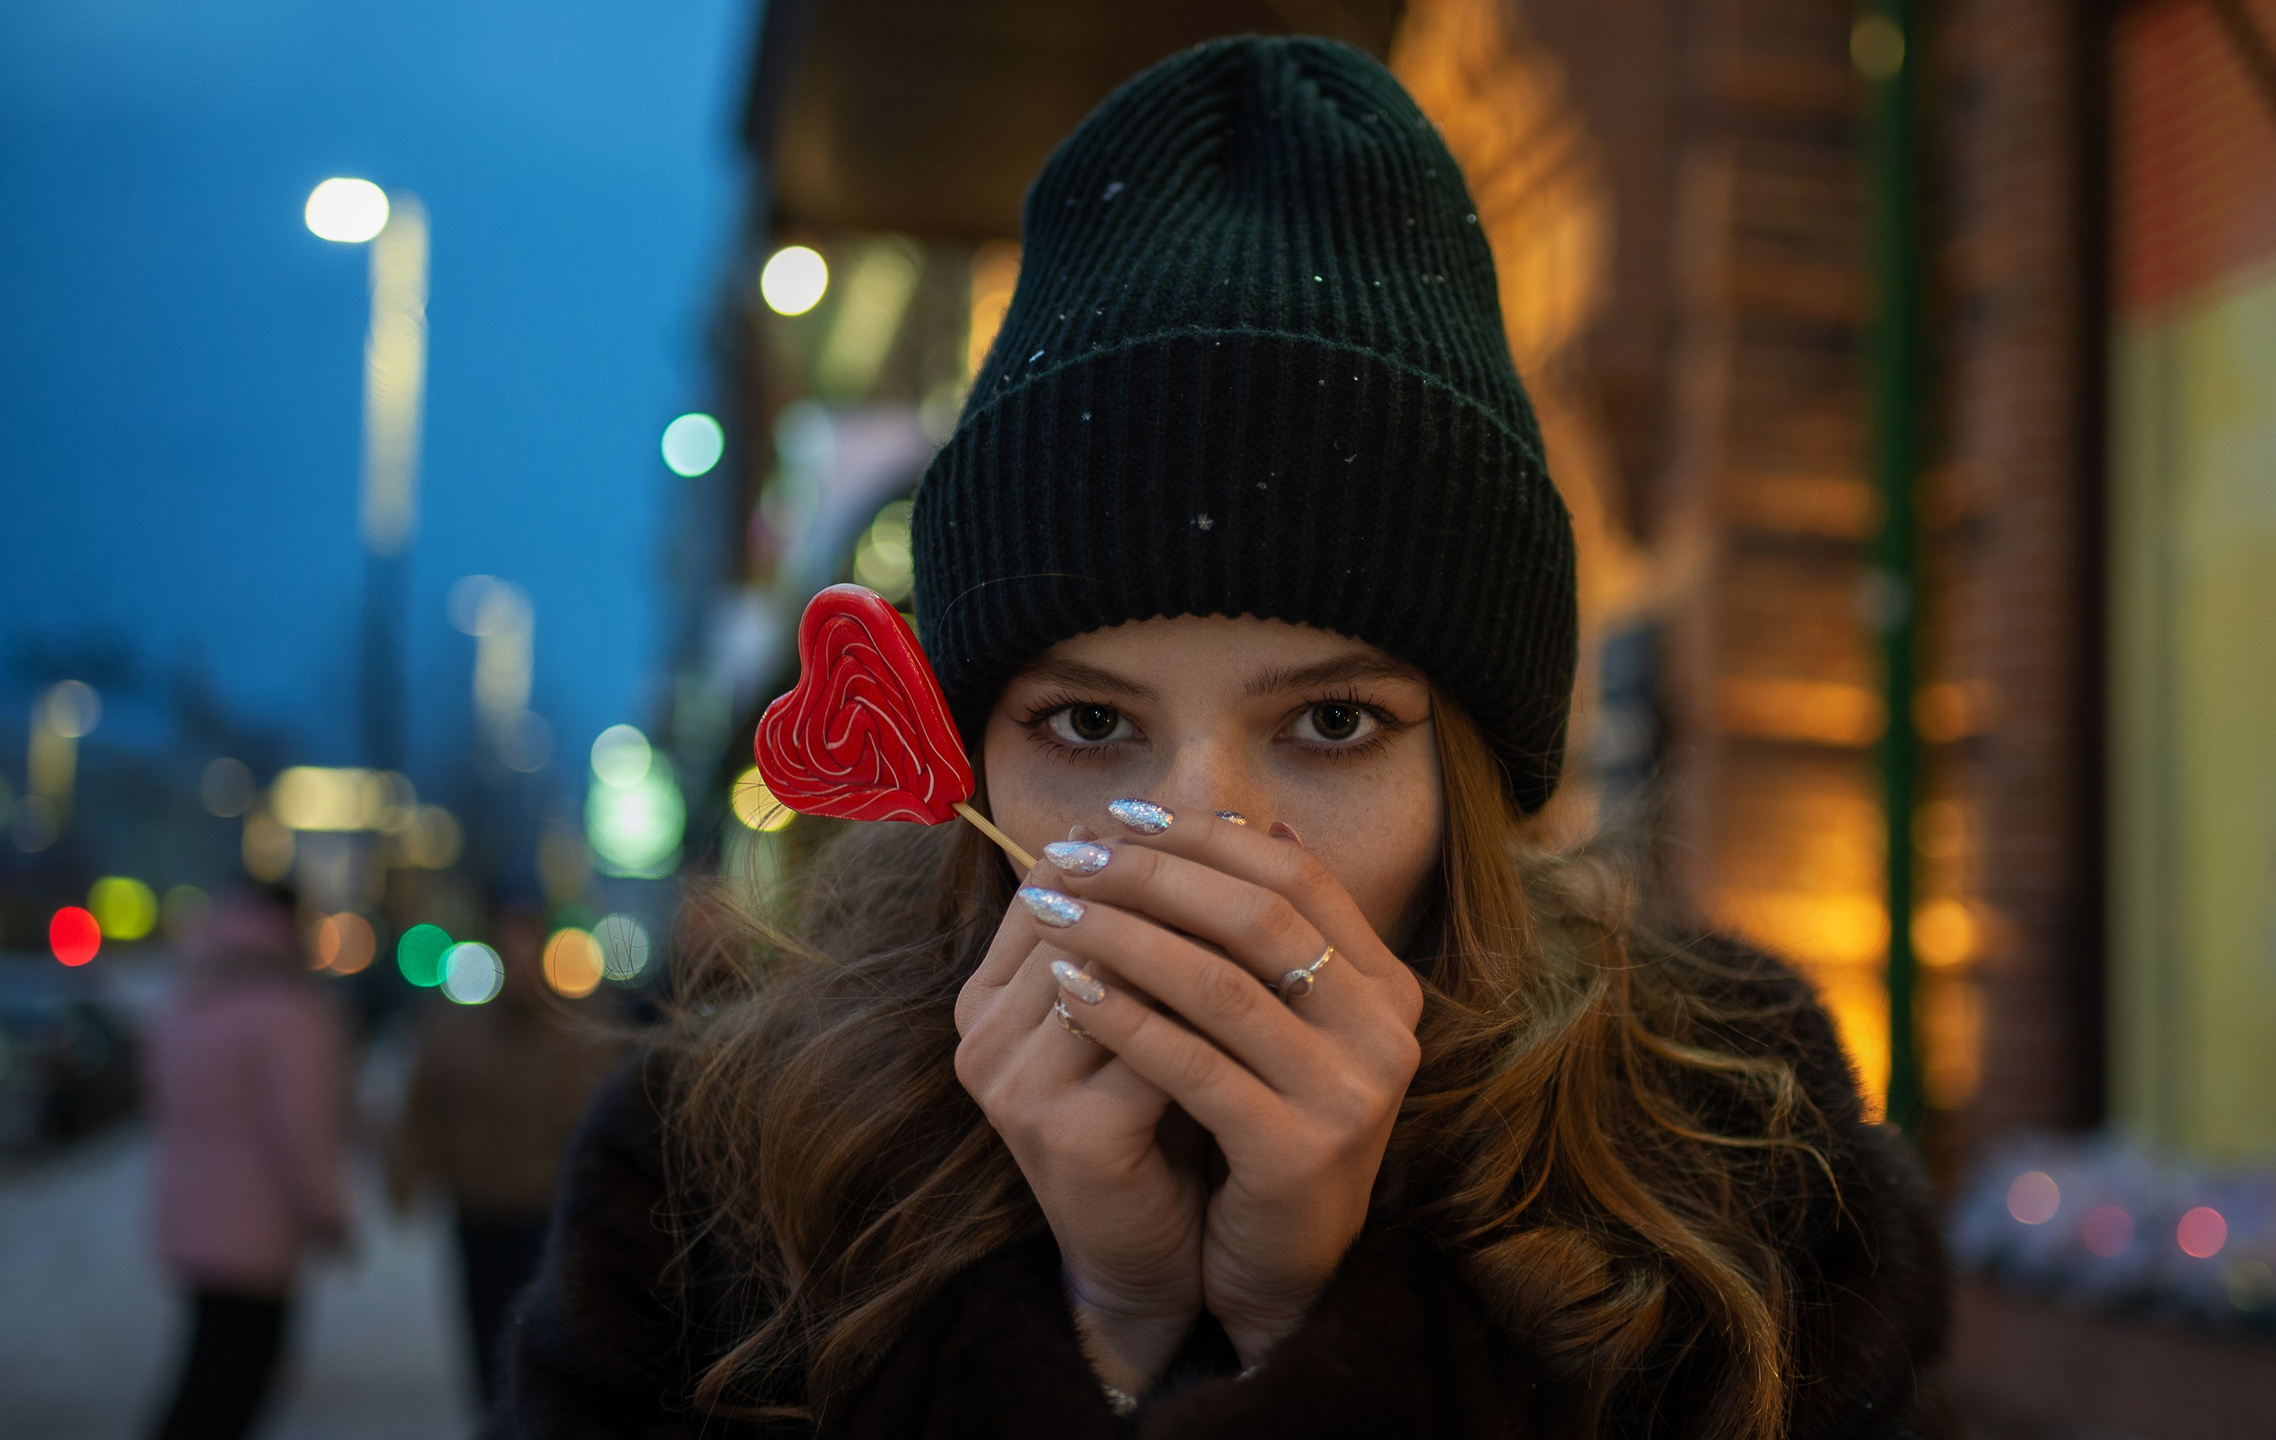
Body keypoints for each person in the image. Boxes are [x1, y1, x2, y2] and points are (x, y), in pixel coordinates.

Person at [497, 36, 1949, 1439]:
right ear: (973, 755)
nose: (1197, 831)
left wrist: (1311, 1335)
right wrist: (1107, 1330)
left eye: (1330, 722)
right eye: (1085, 721)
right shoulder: (717, 1206)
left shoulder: (1742, 1192)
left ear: (1471, 782)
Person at [389, 906, 624, 1407]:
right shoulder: (457, 1027)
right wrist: (405, 1176)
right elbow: (424, 1103)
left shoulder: (578, 1026)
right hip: (478, 1209)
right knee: (483, 1339)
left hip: (547, 1210)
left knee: (543, 1344)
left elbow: (608, 1112)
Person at [144, 892, 349, 1440]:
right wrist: (328, 1214)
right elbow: (301, 1127)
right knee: (228, 1392)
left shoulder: (194, 996)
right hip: (258, 1230)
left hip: (192, 1222)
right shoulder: (286, 1010)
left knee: (207, 1377)